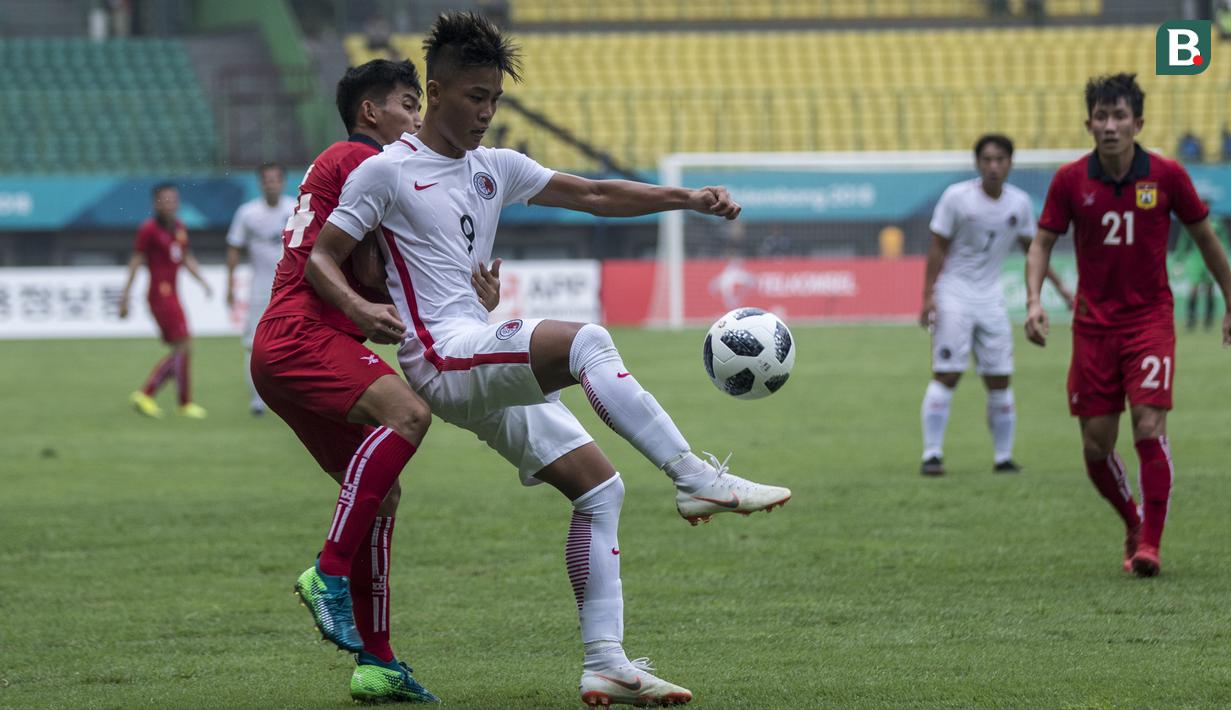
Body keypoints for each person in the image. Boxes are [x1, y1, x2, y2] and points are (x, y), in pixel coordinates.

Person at [310, 12, 792, 707]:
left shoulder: (493, 169)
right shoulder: (385, 173)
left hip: (478, 352)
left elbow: (592, 194)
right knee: (586, 341)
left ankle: (606, 664)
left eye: (495, 99)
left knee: (600, 489)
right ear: (436, 90)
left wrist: (685, 198)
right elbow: (324, 259)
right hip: (441, 358)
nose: (486, 112)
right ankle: (693, 476)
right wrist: (360, 313)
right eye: (475, 96)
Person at [251, 58, 497, 704]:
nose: (417, 119)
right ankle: (327, 572)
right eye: (409, 105)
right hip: (305, 334)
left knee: (381, 494)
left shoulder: (352, 170)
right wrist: (366, 309)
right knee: (410, 414)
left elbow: (375, 267)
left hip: (291, 344)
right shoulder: (365, 163)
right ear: (371, 112)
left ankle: (377, 661)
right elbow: (340, 269)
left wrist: (471, 298)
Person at [1025, 73, 1231, 578]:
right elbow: (1042, 243)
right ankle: (1133, 520)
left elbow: (1205, 239)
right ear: (1089, 123)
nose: (1111, 125)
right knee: (1096, 445)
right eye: (1102, 116)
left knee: (1148, 424)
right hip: (1094, 326)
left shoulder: (1167, 175)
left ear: (1138, 123)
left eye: (1120, 116)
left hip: (1149, 321)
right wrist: (1033, 299)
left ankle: (1151, 546)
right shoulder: (1070, 180)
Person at [918, 134, 1073, 476]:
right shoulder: (956, 198)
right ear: (977, 163)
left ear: (1010, 164)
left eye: (999, 159)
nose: (993, 166)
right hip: (953, 293)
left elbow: (1034, 251)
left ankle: (1003, 458)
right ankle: (932, 454)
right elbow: (937, 247)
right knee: (947, 372)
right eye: (987, 159)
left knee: (1000, 378)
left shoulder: (1017, 204)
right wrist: (928, 295)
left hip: (991, 297)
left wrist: (1061, 288)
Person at [120, 183, 211, 419]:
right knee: (184, 346)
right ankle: (150, 394)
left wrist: (202, 281)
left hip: (173, 293)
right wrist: (124, 296)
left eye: (173, 199)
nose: (170, 203)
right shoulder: (148, 230)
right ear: (156, 204)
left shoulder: (179, 228)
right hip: (160, 295)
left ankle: (180, 402)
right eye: (165, 199)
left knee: (182, 348)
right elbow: (136, 262)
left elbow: (185, 258)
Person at [224, 162, 295, 415]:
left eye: (276, 179)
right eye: (267, 179)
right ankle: (257, 400)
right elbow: (234, 247)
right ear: (260, 183)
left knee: (294, 344)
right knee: (253, 344)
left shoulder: (295, 208)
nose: (271, 183)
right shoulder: (247, 213)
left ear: (283, 182)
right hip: (259, 289)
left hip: (291, 288)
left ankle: (291, 396)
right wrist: (230, 285)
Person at [1173, 207, 1231, 331]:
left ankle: (1208, 320)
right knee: (1193, 289)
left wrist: (1224, 257)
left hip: (1211, 260)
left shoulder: (1216, 223)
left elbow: (1223, 242)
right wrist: (1179, 260)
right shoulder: (1191, 222)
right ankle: (1191, 319)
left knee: (1210, 289)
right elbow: (1183, 243)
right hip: (1196, 260)